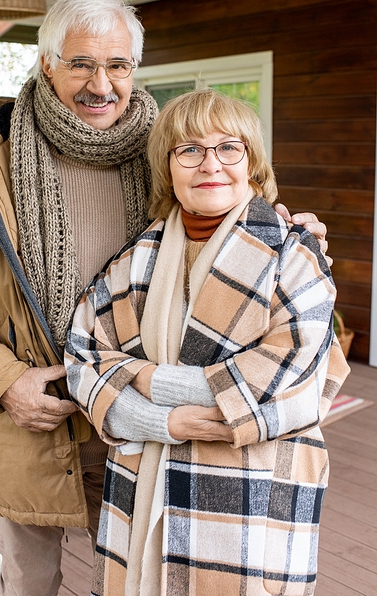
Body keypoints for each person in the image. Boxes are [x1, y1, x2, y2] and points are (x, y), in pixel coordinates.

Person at [0, 0, 328, 596]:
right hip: (35, 416)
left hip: (145, 421)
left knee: (142, 578)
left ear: (135, 68)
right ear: (46, 63)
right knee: (26, 585)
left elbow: (227, 214)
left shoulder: (170, 146)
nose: (101, 84)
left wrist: (291, 232)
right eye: (81, 63)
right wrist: (5, 380)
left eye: (118, 65)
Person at [65, 88, 349, 596]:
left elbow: (293, 383)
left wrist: (148, 381)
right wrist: (161, 420)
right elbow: (84, 357)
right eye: (189, 150)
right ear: (168, 169)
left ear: (252, 164)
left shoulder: (292, 254)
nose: (209, 164)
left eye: (228, 148)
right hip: (144, 480)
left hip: (252, 487)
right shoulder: (133, 261)